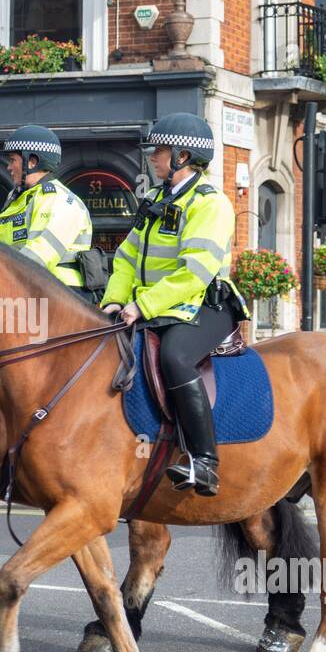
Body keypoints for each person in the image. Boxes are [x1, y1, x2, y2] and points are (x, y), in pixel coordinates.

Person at [100, 112, 244, 496]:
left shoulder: (211, 205)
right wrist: (115, 300)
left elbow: (194, 272)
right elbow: (127, 258)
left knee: (175, 357)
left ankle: (205, 462)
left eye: (160, 151)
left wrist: (142, 306)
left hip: (204, 306)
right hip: (155, 307)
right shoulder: (155, 200)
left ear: (182, 156)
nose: (153, 157)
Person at [0, 125, 94, 298]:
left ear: (32, 162)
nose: (9, 167)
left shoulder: (60, 199)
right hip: (29, 288)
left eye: (12, 160)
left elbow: (41, 254)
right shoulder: (19, 198)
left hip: (62, 296)